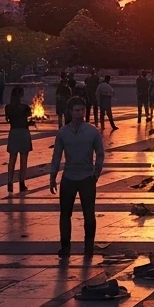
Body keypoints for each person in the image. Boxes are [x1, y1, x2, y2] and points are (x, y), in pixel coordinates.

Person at [49, 97, 105, 259]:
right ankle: (65, 247)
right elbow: (57, 155)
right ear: (70, 112)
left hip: (87, 177)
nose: (79, 113)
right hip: (68, 178)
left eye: (81, 110)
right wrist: (53, 175)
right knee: (65, 214)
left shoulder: (92, 131)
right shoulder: (63, 132)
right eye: (76, 110)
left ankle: (89, 247)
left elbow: (100, 154)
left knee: (89, 214)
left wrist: (96, 173)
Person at [5, 86, 33, 194]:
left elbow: (9, 120)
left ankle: (10, 182)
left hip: (13, 132)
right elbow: (28, 119)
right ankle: (22, 183)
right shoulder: (25, 107)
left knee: (12, 159)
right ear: (21, 94)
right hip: (24, 133)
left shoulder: (8, 107)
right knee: (23, 159)